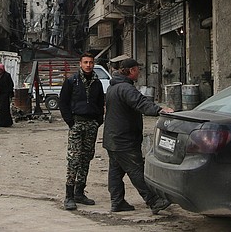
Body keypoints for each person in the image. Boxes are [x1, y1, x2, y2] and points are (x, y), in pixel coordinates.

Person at [103, 58, 174, 214]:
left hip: (112, 138)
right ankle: (153, 201)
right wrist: (159, 110)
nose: (139, 73)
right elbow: (141, 103)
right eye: (138, 70)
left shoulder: (113, 88)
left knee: (115, 172)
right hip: (124, 140)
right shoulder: (126, 89)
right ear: (131, 71)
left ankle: (117, 202)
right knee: (136, 170)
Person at [58, 53, 105, 210]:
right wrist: (70, 121)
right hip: (77, 123)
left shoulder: (97, 83)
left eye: (91, 62)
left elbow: (100, 102)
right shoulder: (72, 81)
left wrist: (98, 120)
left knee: (86, 158)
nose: (88, 65)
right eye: (85, 62)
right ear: (80, 64)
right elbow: (63, 102)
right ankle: (69, 196)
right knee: (74, 159)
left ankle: (79, 192)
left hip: (91, 124)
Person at [0, 63, 14, 127]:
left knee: (5, 108)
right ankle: (1, 122)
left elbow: (10, 85)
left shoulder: (7, 75)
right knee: (1, 108)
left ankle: (6, 123)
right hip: (0, 95)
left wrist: (2, 90)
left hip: (5, 95)